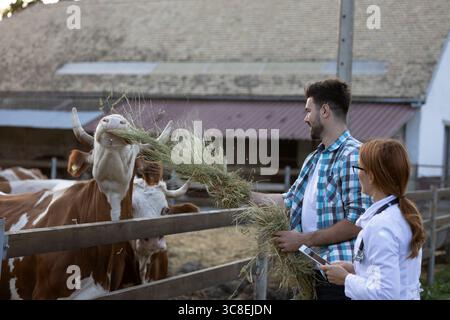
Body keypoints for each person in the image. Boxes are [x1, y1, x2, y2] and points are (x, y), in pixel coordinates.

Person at [251, 79, 372, 300]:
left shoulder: (353, 155)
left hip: (340, 274)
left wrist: (303, 240)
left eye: (308, 110)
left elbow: (358, 221)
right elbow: (289, 201)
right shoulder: (314, 158)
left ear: (324, 110)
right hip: (313, 270)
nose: (305, 118)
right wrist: (241, 194)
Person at [320, 139, 426, 300]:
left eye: (359, 167)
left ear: (371, 176)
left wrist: (346, 279)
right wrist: (356, 269)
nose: (358, 173)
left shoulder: (381, 226)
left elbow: (386, 293)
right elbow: (395, 274)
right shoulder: (402, 214)